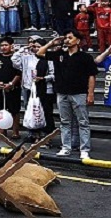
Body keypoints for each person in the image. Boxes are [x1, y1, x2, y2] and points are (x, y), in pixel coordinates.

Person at [37, 30, 98, 159]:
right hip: (62, 92)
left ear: (78, 41)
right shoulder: (60, 54)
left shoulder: (85, 57)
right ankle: (66, 147)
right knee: (65, 121)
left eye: (70, 38)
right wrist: (51, 43)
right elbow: (39, 53)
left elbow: (92, 76)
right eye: (66, 38)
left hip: (79, 93)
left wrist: (91, 93)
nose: (67, 40)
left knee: (83, 122)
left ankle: (84, 149)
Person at [0, 37, 22, 138]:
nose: (3, 47)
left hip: (13, 89)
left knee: (14, 110)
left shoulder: (16, 58)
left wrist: (11, 84)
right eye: (2, 45)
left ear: (11, 46)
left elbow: (19, 73)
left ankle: (15, 131)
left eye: (6, 45)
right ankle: (1, 131)